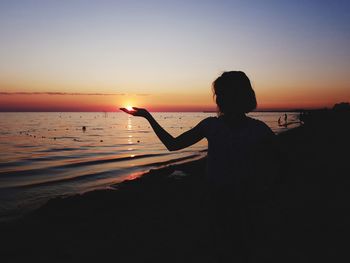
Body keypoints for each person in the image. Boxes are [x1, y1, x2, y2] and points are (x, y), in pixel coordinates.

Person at [121, 71, 275, 260]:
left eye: (221, 93)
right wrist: (147, 116)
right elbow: (274, 168)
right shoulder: (258, 129)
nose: (218, 97)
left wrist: (148, 117)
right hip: (235, 201)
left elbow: (172, 145)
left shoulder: (215, 126)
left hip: (231, 201)